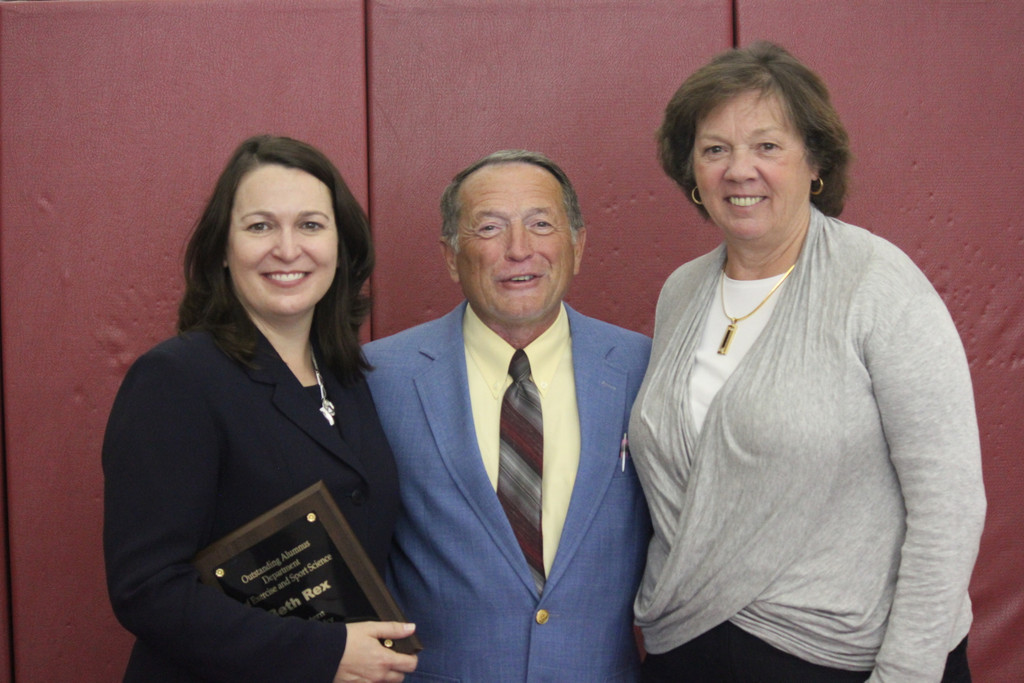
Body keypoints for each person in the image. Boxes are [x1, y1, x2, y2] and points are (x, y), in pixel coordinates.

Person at [629, 42, 986, 682]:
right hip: (688, 649)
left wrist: (906, 674)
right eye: (715, 149)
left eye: (767, 146)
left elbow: (949, 507)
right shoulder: (681, 291)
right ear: (692, 171)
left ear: (814, 162)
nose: (740, 170)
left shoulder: (878, 282)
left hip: (845, 660)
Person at [103, 135, 417, 683]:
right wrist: (323, 653)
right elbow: (147, 590)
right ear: (223, 250)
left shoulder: (347, 377)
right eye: (260, 226)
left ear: (342, 247)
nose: (288, 249)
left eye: (311, 225)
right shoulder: (177, 378)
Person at [364, 150, 652, 681]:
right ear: (451, 256)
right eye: (490, 228)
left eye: (541, 224)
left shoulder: (645, 370)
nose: (519, 250)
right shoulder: (379, 379)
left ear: (578, 246)